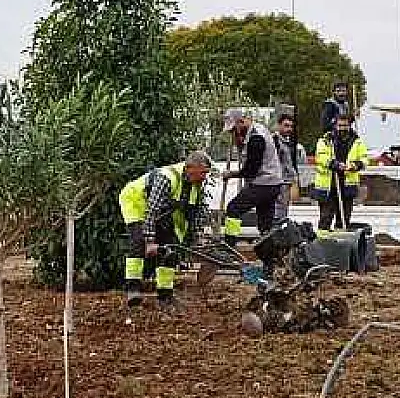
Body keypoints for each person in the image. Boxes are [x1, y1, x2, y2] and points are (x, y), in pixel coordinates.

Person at [118, 151, 212, 309]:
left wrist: (197, 239)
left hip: (161, 210)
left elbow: (194, 215)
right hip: (136, 201)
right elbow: (152, 211)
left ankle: (165, 296)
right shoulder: (166, 177)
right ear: (190, 168)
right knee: (139, 241)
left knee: (171, 246)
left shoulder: (195, 186)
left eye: (206, 173)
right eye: (203, 172)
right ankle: (132, 290)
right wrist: (150, 241)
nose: (204, 177)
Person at [221, 108, 284, 245]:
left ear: (241, 121)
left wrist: (231, 174)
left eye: (234, 129)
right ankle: (269, 256)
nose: (233, 133)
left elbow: (251, 170)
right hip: (272, 183)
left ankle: (229, 245)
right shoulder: (255, 130)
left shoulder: (256, 138)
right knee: (264, 225)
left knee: (233, 208)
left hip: (264, 183)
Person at [313, 112, 368, 231]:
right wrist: (334, 164)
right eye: (340, 125)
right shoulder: (326, 140)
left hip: (347, 187)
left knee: (344, 219)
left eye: (345, 125)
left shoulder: (357, 142)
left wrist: (354, 165)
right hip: (328, 187)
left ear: (350, 126)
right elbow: (321, 157)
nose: (342, 128)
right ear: (335, 125)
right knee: (325, 218)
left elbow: (364, 159)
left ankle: (340, 243)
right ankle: (323, 245)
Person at [273, 113, 299, 221]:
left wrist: (294, 181)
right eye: (286, 125)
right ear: (279, 125)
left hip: (287, 183)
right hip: (278, 182)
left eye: (291, 126)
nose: (289, 129)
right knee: (277, 213)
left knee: (283, 212)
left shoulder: (289, 142)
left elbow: (290, 164)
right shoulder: (274, 141)